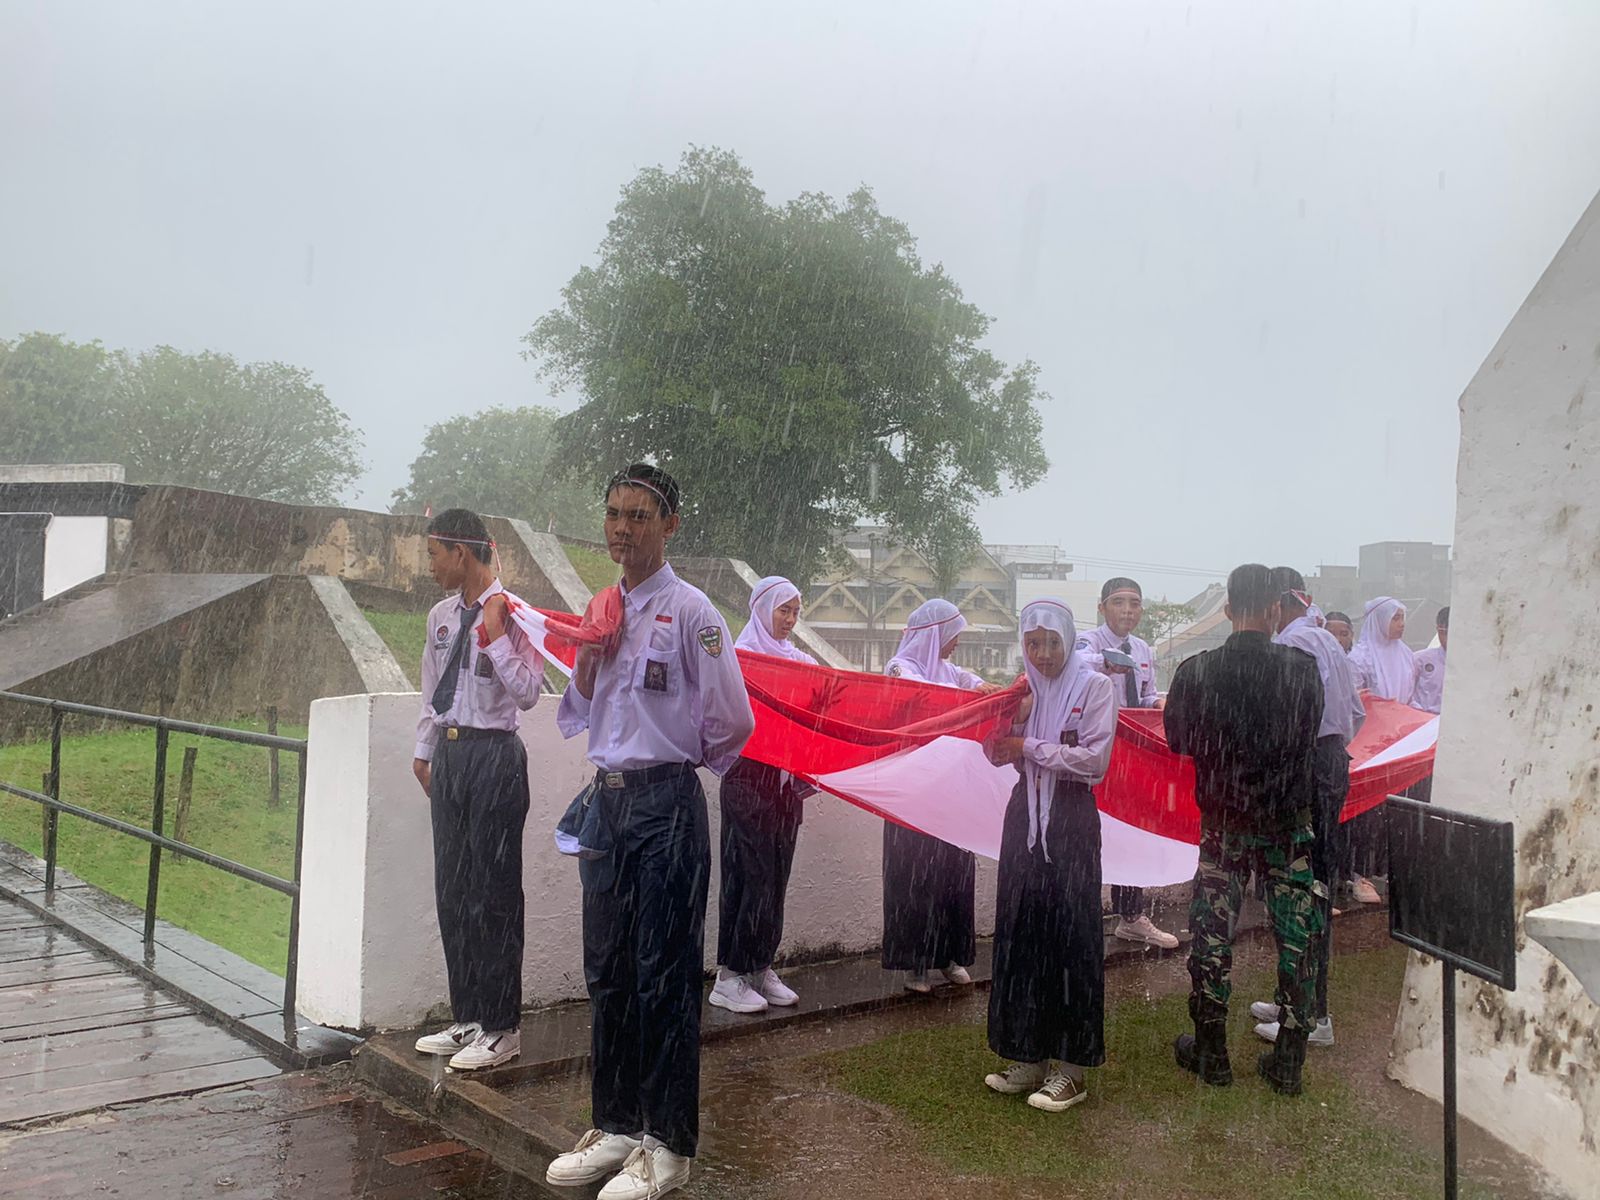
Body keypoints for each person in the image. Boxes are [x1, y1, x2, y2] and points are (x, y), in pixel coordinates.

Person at [544, 464, 755, 1200]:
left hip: (665, 805)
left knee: (664, 976)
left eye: (638, 515)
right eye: (613, 513)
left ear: (669, 526)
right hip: (605, 802)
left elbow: (734, 720)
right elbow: (578, 706)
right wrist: (589, 654)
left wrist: (677, 763)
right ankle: (618, 1125)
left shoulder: (695, 614)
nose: (622, 528)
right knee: (607, 972)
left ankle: (668, 1145)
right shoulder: (601, 606)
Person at [1164, 564, 1325, 1097]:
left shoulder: (1196, 671)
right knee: (1297, 937)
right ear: (1277, 609)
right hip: (1287, 825)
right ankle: (1289, 1063)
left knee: (1212, 933)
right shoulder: (1302, 670)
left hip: (1224, 823)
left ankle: (1211, 1053)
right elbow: (1308, 738)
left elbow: (1179, 742)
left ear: (1228, 609)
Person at [410, 509, 545, 1072]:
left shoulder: (518, 616)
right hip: (453, 755)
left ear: (461, 554)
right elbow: (428, 687)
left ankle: (501, 1025)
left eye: (435, 554)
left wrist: (492, 636)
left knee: (494, 893)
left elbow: (530, 691)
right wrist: (424, 753)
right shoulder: (440, 616)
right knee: (454, 889)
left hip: (495, 756)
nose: (431, 565)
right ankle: (467, 1013)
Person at [982, 599, 1117, 1112]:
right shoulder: (1023, 692)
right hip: (1024, 821)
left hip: (1070, 821)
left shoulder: (1095, 687)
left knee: (1073, 937)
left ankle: (1072, 1069)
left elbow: (1093, 762)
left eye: (1052, 642)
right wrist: (1000, 727)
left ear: (1068, 639)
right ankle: (1027, 1054)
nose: (1042, 654)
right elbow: (997, 750)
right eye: (1033, 643)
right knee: (1022, 932)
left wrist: (1028, 745)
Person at [1249, 568, 1365, 1051]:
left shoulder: (1294, 645)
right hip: (1331, 759)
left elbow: (1286, 718)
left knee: (1304, 888)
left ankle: (1314, 1014)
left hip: (1306, 767)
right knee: (1303, 886)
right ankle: (1292, 996)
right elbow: (1354, 712)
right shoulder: (1329, 642)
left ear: (1277, 605)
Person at [709, 576, 815, 1015]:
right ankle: (730, 974)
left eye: (795, 611)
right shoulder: (739, 660)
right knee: (747, 874)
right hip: (747, 777)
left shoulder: (800, 662)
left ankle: (759, 966)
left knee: (775, 877)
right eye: (782, 610)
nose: (789, 620)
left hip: (785, 784)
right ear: (762, 609)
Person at [881, 597, 993, 994]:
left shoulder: (946, 669)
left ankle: (948, 955)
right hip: (912, 790)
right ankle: (915, 965)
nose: (955, 644)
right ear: (934, 634)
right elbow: (924, 698)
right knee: (914, 876)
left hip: (951, 788)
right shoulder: (901, 668)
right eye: (952, 635)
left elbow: (964, 678)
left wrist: (981, 687)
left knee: (953, 872)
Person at [1075, 577, 1180, 950]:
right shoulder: (1088, 642)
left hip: (1133, 754)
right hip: (1097, 750)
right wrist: (1105, 662)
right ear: (1102, 607)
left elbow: (1148, 692)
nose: (1127, 610)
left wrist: (1157, 704)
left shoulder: (1142, 648)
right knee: (1091, 830)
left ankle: (1131, 916)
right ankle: (1078, 915)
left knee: (1133, 829)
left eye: (1135, 603)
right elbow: (1077, 665)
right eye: (1119, 602)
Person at [1342, 596, 1416, 903]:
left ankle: (1387, 868)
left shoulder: (1407, 655)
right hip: (1369, 744)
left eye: (1402, 618)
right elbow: (1359, 702)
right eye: (1395, 618)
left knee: (1394, 809)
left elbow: (1411, 700)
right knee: (1366, 811)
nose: (1400, 624)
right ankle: (1358, 874)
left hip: (1398, 744)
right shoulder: (1360, 658)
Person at [1410, 606, 1449, 714]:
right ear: (1437, 630)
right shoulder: (1420, 659)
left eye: (1450, 633)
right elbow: (1407, 693)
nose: (1446, 638)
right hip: (1423, 719)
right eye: (1443, 633)